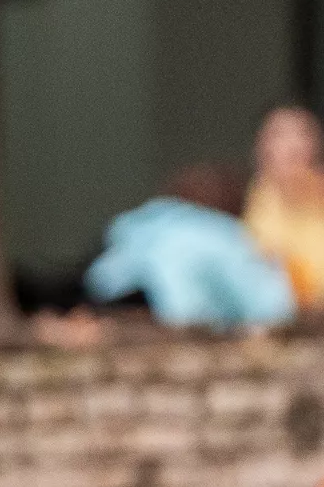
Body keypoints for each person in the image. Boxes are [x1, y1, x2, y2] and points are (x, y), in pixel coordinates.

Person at [86, 162, 296, 332]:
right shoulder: (223, 235)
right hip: (175, 326)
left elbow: (98, 281)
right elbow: (274, 309)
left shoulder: (140, 226)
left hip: (106, 312)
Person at [245, 104, 324, 312]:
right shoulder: (249, 200)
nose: (293, 145)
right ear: (261, 146)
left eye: (302, 134)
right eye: (279, 135)